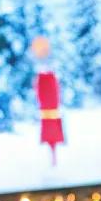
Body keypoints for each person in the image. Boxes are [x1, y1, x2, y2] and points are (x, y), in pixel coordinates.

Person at [30, 35, 65, 166]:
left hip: (51, 104)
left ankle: (54, 157)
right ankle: (52, 157)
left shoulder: (51, 70)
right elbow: (38, 88)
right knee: (49, 132)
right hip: (46, 104)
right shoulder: (39, 71)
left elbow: (55, 87)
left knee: (53, 132)